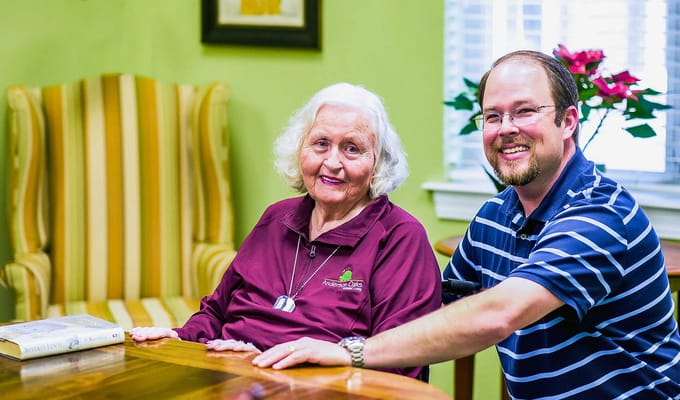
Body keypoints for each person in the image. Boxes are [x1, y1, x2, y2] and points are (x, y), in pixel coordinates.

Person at [252, 51, 680, 398]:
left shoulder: (602, 213)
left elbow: (498, 313)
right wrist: (276, 341)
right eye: (492, 116)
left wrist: (351, 352)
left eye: (524, 112)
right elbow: (428, 312)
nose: (506, 129)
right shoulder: (495, 218)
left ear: (568, 121)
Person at [129, 82, 442, 380]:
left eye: (351, 149)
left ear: (377, 163)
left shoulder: (400, 238)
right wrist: (179, 336)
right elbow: (217, 313)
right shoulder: (276, 218)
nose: (332, 162)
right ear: (300, 149)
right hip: (229, 380)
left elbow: (400, 364)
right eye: (321, 144)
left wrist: (263, 363)